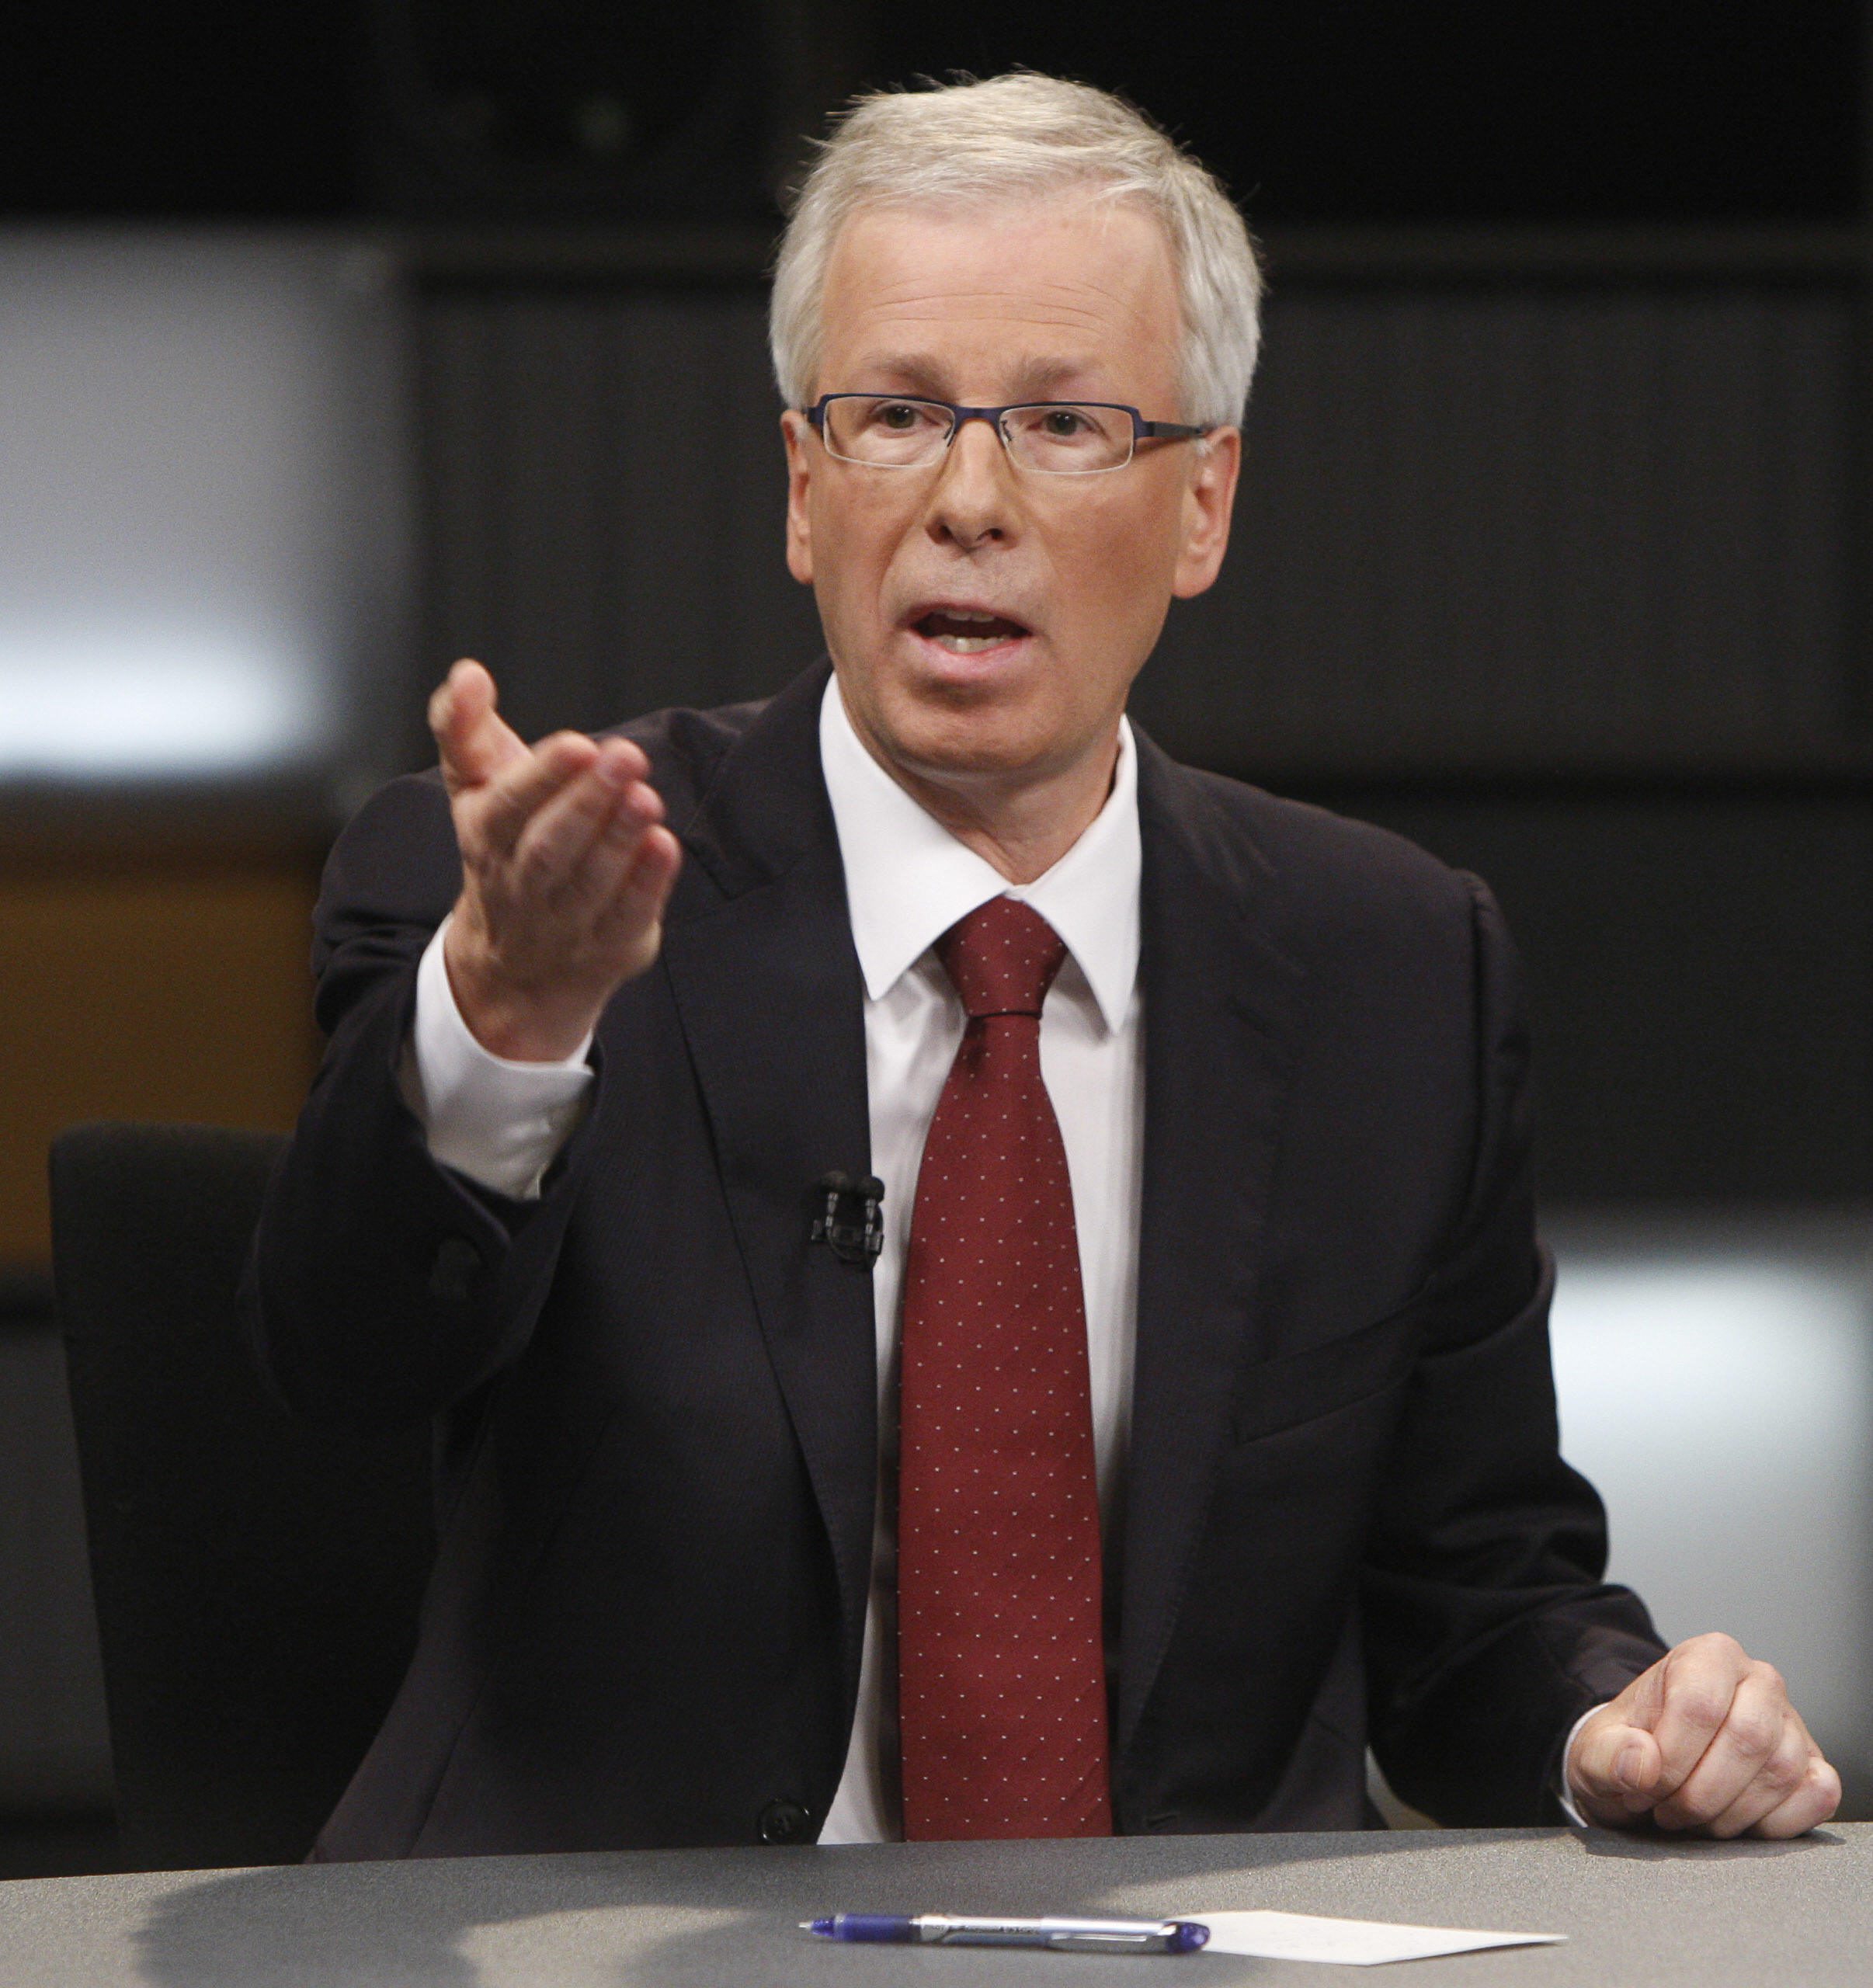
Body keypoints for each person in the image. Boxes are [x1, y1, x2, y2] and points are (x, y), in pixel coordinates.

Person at [248, 73, 1840, 1855]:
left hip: (1188, 1951)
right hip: (617, 1944)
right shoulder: (534, 892)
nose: (970, 500)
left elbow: (1476, 1600)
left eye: (1067, 423)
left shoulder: (1393, 968)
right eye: (896, 416)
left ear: (1203, 502)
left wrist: (1615, 1718)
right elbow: (339, 1360)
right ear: (802, 487)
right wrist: (513, 1015)